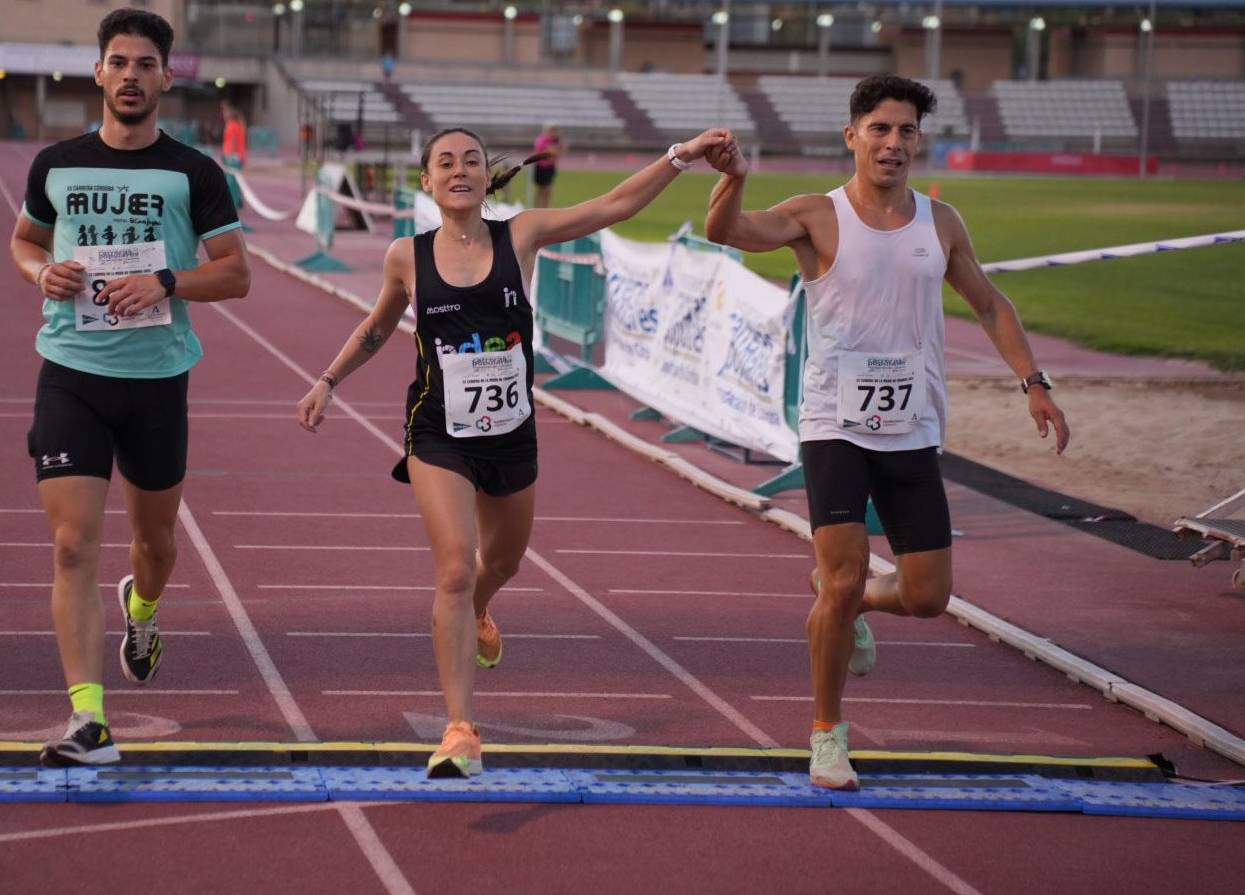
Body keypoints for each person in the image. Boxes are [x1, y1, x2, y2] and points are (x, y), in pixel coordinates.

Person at [297, 125, 743, 778]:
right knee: (454, 567)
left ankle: (481, 607)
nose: (458, 171)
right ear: (426, 181)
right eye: (444, 163)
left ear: (485, 178)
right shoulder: (406, 256)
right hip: (437, 431)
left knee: (500, 561)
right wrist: (328, 380)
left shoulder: (522, 235)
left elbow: (613, 205)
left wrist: (680, 158)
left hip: (511, 436)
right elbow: (378, 325)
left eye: (470, 161)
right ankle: (459, 731)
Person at [702, 74, 1070, 791]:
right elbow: (726, 233)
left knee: (929, 596)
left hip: (912, 427)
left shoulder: (942, 222)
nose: (894, 142)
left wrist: (1034, 382)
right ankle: (827, 734)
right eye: (880, 129)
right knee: (837, 584)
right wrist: (738, 180)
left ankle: (860, 596)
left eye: (906, 131)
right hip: (834, 426)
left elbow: (990, 305)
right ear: (853, 137)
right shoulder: (817, 214)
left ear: (918, 142)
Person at [9, 8, 251, 766]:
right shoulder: (57, 164)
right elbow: (24, 240)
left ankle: (142, 608)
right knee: (73, 543)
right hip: (71, 374)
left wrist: (167, 281)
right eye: (119, 62)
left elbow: (237, 274)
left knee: (155, 543)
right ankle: (89, 719)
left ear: (165, 76)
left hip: (156, 382)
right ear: (99, 72)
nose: (131, 76)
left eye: (146, 64)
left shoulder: (194, 173)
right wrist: (39, 272)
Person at [530, 125, 563, 208]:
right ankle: (538, 207)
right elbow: (542, 153)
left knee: (548, 189)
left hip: (549, 167)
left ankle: (545, 207)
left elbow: (558, 153)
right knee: (542, 189)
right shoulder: (542, 140)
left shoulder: (555, 141)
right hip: (541, 167)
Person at [219, 99, 247, 173]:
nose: (223, 115)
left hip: (232, 155)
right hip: (239, 154)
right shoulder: (238, 125)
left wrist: (232, 155)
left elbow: (234, 140)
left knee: (231, 177)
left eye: (225, 114)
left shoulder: (231, 125)